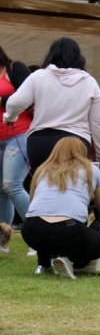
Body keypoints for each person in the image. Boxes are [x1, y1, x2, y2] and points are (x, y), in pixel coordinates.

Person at [4, 37, 100, 176]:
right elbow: (98, 123)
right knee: (70, 188)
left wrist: (10, 117)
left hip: (40, 143)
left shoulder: (38, 76)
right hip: (75, 143)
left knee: (41, 187)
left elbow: (14, 103)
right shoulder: (89, 82)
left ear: (51, 55)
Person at [21, 137, 100, 279]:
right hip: (69, 230)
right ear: (83, 152)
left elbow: (33, 202)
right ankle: (72, 261)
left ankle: (43, 264)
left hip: (32, 230)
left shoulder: (42, 170)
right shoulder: (91, 170)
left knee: (45, 225)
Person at [0, 46, 32, 229]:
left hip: (19, 134)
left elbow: (29, 96)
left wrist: (2, 101)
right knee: (2, 191)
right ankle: (3, 240)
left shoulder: (15, 68)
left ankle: (40, 232)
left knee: (12, 185)